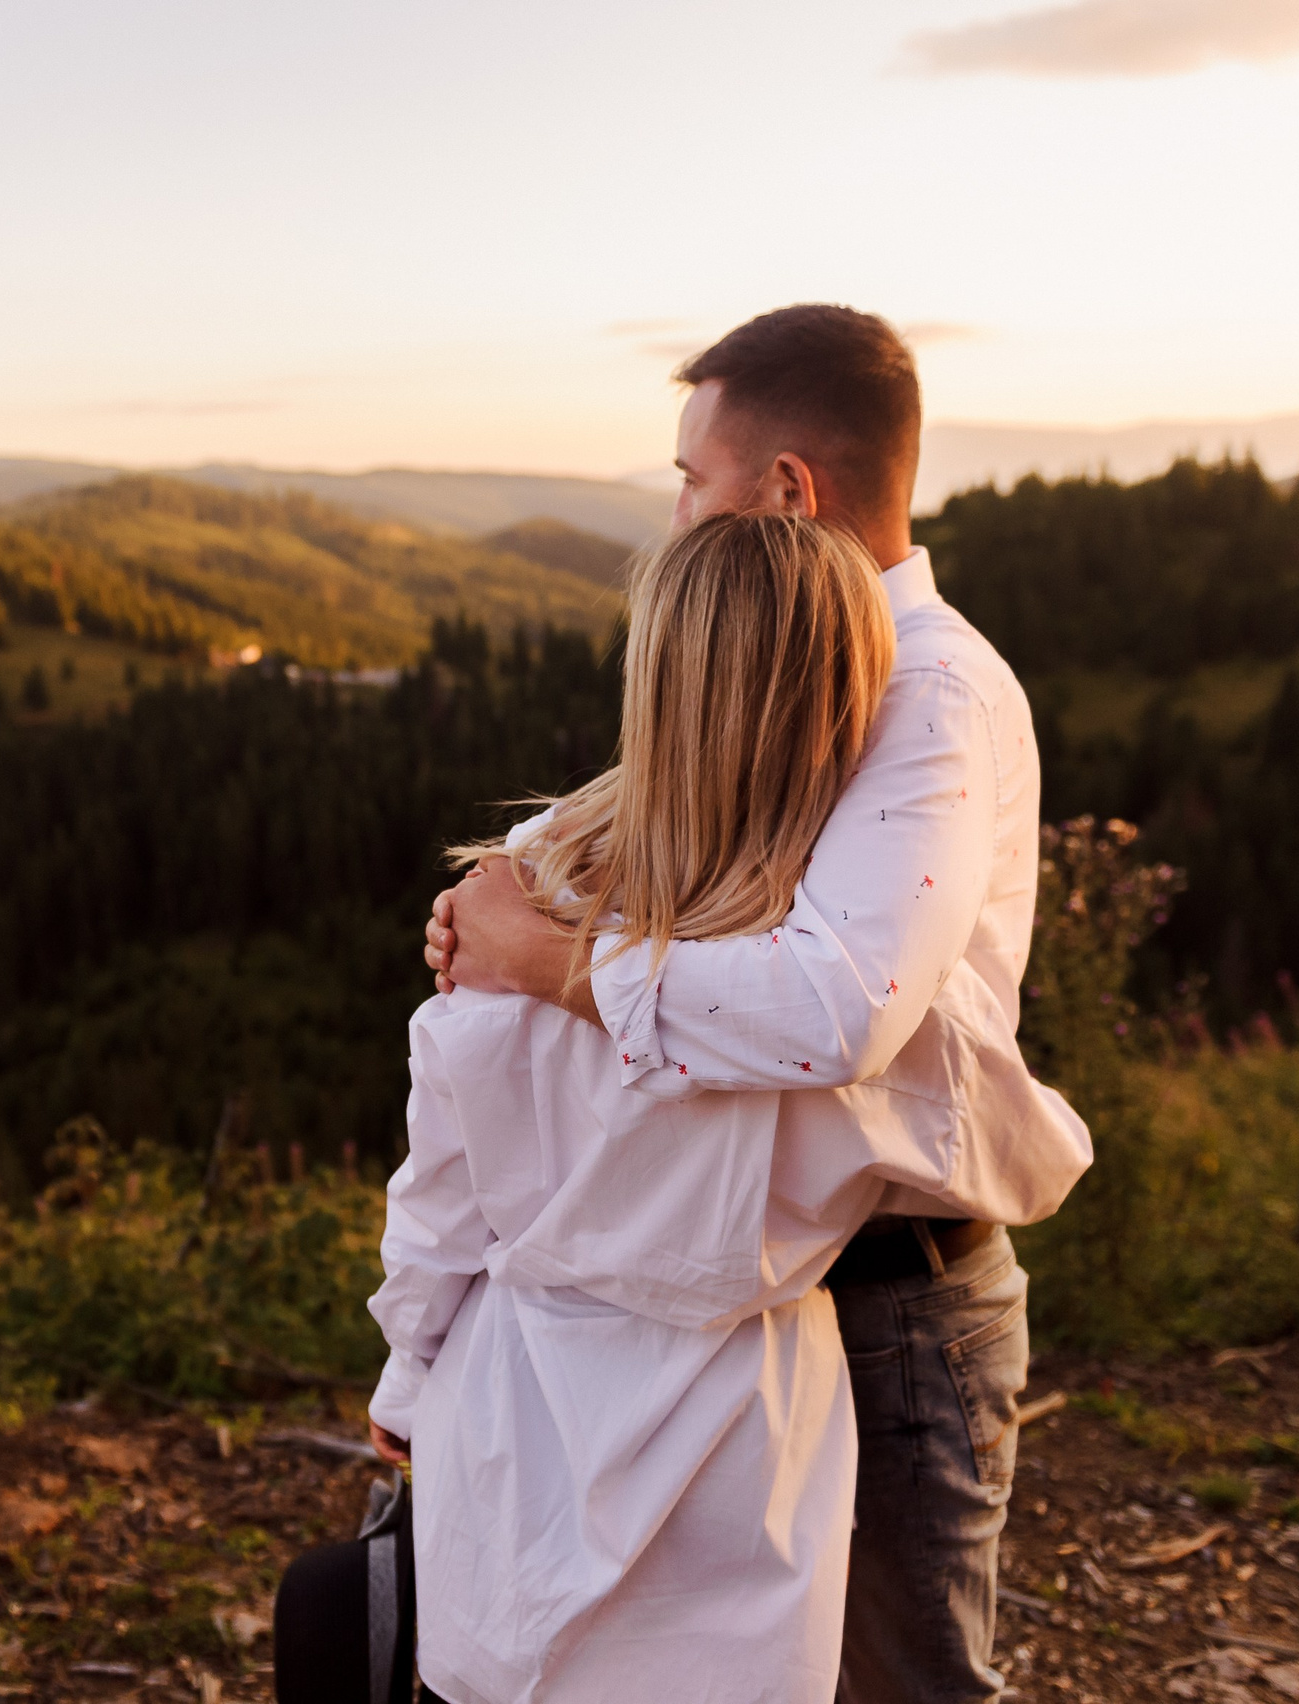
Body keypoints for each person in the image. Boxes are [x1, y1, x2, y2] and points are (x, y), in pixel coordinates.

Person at [424, 304, 1084, 1701]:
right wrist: (518, 904)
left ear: (787, 488)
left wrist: (545, 960)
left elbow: (835, 1008)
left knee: (905, 1687)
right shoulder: (787, 675)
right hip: (747, 1304)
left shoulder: (930, 691)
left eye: (691, 477)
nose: (676, 512)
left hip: (889, 1300)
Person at [359, 511, 978, 1704]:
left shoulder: (517, 923)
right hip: (747, 1426)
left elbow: (438, 1209)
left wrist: (405, 1380)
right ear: (850, 702)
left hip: (520, 1396)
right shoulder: (820, 998)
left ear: (653, 679)